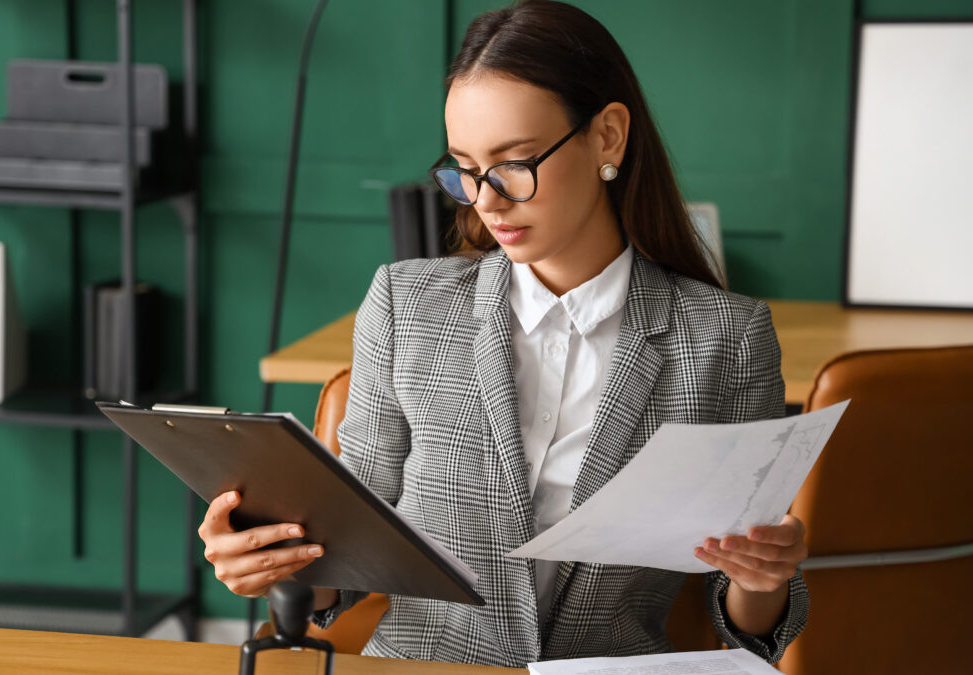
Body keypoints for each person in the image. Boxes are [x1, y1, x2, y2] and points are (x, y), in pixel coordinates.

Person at [198, 0, 809, 667]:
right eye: (464, 168)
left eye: (515, 163)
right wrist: (271, 562)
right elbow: (345, 554)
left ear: (608, 137)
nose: (485, 200)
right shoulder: (406, 306)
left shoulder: (727, 339)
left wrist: (763, 577)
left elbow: (742, 615)